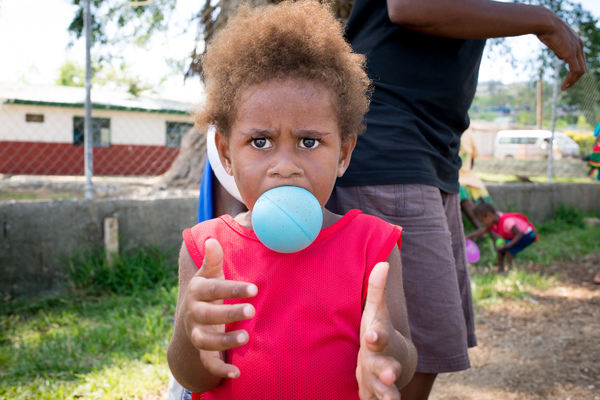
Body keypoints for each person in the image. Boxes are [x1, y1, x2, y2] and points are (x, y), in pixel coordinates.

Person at [324, 0, 586, 398]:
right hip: (391, 153)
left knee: (427, 347)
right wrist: (543, 21)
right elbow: (409, 6)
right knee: (406, 357)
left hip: (434, 158)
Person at [166, 2, 418, 399]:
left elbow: (403, 362)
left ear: (344, 153)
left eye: (309, 141)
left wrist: (386, 347)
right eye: (260, 142)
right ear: (226, 153)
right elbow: (195, 379)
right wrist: (188, 328)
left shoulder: (374, 245)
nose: (285, 165)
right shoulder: (207, 248)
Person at [465, 202, 538, 272]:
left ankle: (510, 269)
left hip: (527, 234)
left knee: (509, 250)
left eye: (482, 221)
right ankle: (500, 268)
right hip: (516, 235)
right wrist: (468, 236)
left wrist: (508, 245)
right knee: (500, 250)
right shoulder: (494, 221)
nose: (483, 223)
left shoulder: (506, 222)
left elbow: (519, 234)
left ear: (489, 215)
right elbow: (482, 231)